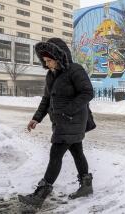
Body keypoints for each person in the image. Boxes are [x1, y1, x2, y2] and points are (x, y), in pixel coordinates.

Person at [18, 38, 95, 208]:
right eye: (45, 61)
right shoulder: (51, 75)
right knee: (77, 151)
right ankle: (86, 185)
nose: (47, 64)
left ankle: (40, 195)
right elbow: (47, 99)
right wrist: (36, 118)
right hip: (62, 121)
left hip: (72, 120)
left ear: (59, 57)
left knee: (55, 155)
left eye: (49, 60)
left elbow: (88, 92)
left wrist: (68, 110)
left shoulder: (75, 70)